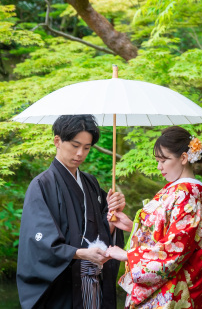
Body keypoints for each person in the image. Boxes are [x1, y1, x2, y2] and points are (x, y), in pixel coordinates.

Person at [17, 114, 127, 309]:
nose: (80, 154)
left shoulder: (90, 183)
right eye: (75, 146)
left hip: (94, 279)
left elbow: (103, 229)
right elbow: (40, 242)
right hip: (64, 285)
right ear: (57, 141)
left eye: (86, 147)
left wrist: (112, 215)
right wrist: (81, 253)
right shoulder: (42, 185)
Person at [104, 126, 202, 309]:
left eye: (164, 160)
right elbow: (165, 232)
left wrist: (127, 255)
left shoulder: (185, 197)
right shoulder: (176, 192)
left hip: (169, 293)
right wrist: (130, 226)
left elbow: (175, 249)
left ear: (183, 158)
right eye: (158, 161)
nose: (159, 167)